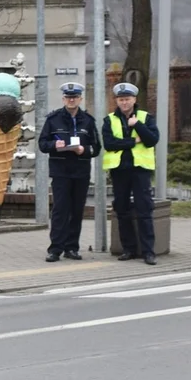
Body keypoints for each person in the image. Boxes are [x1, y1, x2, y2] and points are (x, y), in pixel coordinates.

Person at [38, 81, 102, 262]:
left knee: (76, 210)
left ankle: (72, 248)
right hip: (60, 171)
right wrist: (54, 145)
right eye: (68, 97)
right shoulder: (53, 119)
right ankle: (55, 249)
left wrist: (84, 150)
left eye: (74, 97)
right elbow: (42, 144)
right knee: (60, 210)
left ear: (80, 99)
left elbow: (96, 147)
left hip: (80, 171)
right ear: (63, 99)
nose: (71, 100)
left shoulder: (88, 121)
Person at [102, 82, 160, 265]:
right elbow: (109, 144)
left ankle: (148, 251)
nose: (124, 103)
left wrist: (138, 125)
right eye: (121, 100)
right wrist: (134, 140)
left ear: (134, 100)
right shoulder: (109, 120)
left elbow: (152, 140)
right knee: (122, 209)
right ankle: (129, 249)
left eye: (127, 99)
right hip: (119, 170)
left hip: (140, 170)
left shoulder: (146, 117)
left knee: (144, 209)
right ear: (116, 101)